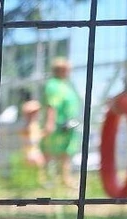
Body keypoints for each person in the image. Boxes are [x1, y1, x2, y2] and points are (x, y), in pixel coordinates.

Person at [40, 57, 83, 189]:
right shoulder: (53, 85)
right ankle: (46, 179)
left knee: (66, 153)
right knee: (49, 151)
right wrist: (50, 123)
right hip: (57, 124)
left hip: (68, 125)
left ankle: (65, 179)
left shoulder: (67, 85)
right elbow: (52, 105)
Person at [19, 89, 45, 182]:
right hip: (30, 148)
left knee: (39, 163)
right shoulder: (28, 124)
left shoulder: (34, 124)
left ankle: (39, 180)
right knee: (35, 162)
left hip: (34, 146)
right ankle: (36, 181)